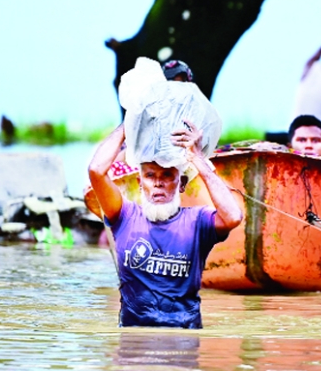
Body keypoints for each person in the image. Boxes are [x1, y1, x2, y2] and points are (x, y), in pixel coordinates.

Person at [88, 121, 243, 328]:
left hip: (184, 336)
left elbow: (233, 216)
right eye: (150, 175)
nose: (158, 183)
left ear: (182, 184)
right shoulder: (124, 215)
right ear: (139, 183)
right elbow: (96, 171)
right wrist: (130, 122)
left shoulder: (198, 221)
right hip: (135, 337)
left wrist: (198, 159)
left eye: (167, 175)